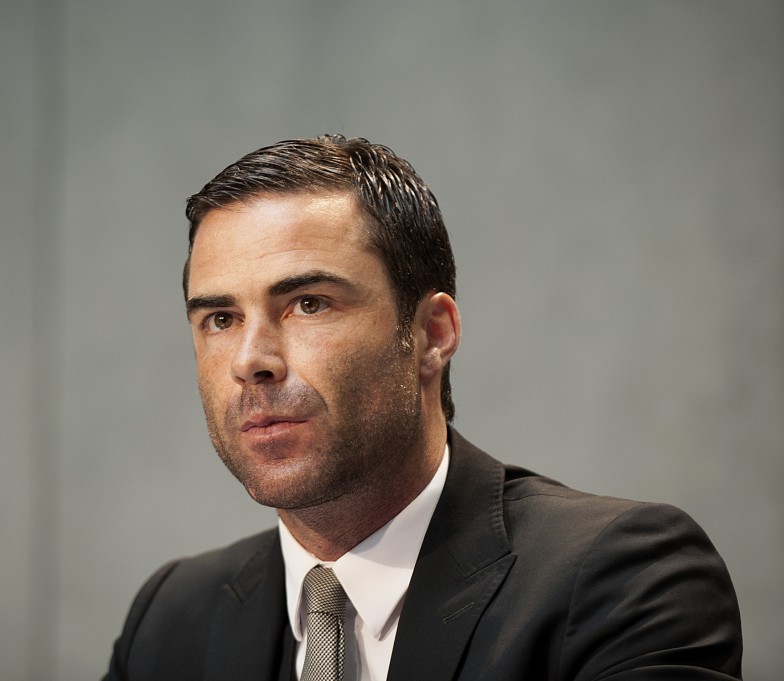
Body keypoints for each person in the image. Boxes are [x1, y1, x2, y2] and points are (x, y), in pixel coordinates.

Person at [103, 135, 743, 681]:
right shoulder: (170, 619)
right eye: (220, 318)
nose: (250, 360)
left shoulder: (623, 580)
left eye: (309, 304)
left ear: (433, 333)